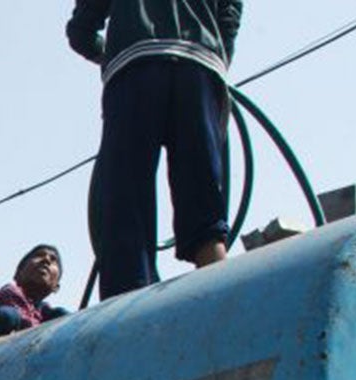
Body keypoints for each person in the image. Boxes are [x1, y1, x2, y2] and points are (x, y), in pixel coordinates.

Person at [69, 0, 239, 299]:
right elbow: (230, 11)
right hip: (200, 64)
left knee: (126, 199)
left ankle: (129, 303)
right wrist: (217, 50)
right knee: (202, 192)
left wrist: (104, 50)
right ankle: (222, 290)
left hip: (135, 65)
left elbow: (81, 30)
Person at [0, 245, 68, 339]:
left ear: (56, 287)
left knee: (61, 316)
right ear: (17, 274)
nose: (46, 260)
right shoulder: (11, 292)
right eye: (39, 255)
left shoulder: (44, 311)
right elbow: (30, 331)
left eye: (53, 260)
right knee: (7, 315)